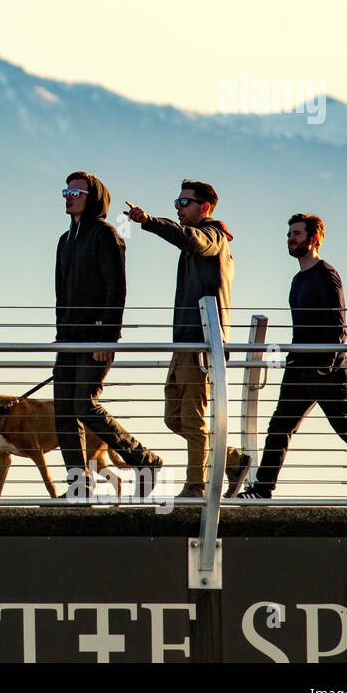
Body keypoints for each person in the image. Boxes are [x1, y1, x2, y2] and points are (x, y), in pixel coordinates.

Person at [237, 215, 347, 499]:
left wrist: (324, 366)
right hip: (299, 367)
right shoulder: (297, 280)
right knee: (280, 427)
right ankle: (262, 490)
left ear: (313, 239)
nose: (291, 238)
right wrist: (294, 360)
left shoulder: (326, 274)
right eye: (289, 234)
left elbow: (338, 328)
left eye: (297, 234)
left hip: (327, 371)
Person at [124, 180, 250, 498]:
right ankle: (232, 460)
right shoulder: (194, 245)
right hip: (183, 345)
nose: (178, 208)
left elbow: (191, 239)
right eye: (176, 203)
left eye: (184, 203)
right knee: (174, 418)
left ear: (204, 207)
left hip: (201, 347)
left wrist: (149, 221)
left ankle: (196, 486)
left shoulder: (214, 237)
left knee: (193, 421)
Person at [54, 171, 163, 499]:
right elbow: (61, 292)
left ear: (94, 198)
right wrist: (61, 333)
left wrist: (107, 336)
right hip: (69, 339)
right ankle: (79, 487)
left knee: (84, 405)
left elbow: (117, 289)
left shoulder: (106, 235)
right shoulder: (65, 240)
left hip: (97, 337)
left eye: (76, 193)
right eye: (66, 192)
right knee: (64, 410)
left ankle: (145, 461)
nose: (70, 197)